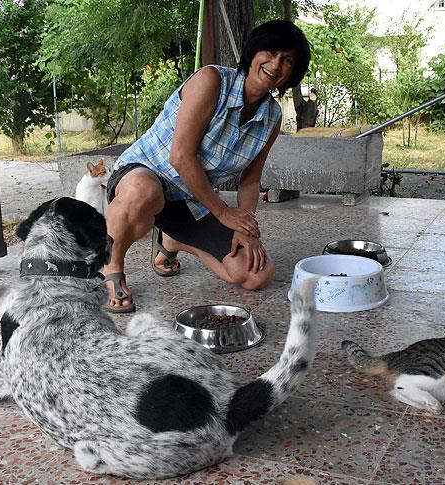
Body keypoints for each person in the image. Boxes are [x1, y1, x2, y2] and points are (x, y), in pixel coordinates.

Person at [101, 20, 311, 312]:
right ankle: (111, 266)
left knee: (256, 274)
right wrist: (224, 213)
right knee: (143, 191)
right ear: (253, 52)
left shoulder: (271, 117)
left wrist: (246, 227)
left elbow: (250, 179)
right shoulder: (212, 81)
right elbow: (181, 157)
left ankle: (173, 240)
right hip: (143, 176)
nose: (275, 64)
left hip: (191, 198)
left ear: (292, 72)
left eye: (287, 60)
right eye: (270, 51)